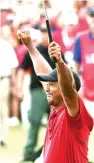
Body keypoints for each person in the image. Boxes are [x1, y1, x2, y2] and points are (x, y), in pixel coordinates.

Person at [17, 28, 93, 163]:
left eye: (52, 85)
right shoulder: (56, 107)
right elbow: (43, 69)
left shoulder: (74, 113)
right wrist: (30, 47)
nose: (47, 88)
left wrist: (59, 62)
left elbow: (68, 89)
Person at [17, 24, 56, 162]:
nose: (45, 35)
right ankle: (28, 151)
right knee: (34, 121)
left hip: (55, 92)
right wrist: (19, 87)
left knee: (56, 124)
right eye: (43, 32)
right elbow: (22, 69)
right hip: (38, 91)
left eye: (47, 32)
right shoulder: (35, 50)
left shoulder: (55, 51)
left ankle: (50, 151)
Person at [73, 6, 94, 118]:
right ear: (87, 18)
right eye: (92, 16)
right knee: (85, 130)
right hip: (87, 92)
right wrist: (76, 87)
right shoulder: (80, 38)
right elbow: (76, 65)